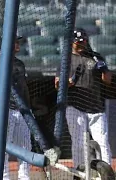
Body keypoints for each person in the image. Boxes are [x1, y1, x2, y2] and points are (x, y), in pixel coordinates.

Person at [55, 28, 112, 169]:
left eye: (84, 41)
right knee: (79, 142)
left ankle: (107, 173)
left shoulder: (95, 56)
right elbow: (57, 84)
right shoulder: (66, 59)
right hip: (75, 106)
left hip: (96, 107)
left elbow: (108, 80)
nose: (81, 44)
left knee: (102, 141)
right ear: (72, 43)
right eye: (78, 42)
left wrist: (104, 69)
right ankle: (79, 171)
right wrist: (70, 81)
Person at [0, 36, 31, 180]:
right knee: (2, 147)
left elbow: (24, 89)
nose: (18, 44)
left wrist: (28, 110)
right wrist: (0, 114)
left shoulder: (20, 64)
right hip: (4, 111)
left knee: (25, 146)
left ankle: (24, 176)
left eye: (18, 41)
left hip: (22, 111)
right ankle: (3, 176)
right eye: (15, 42)